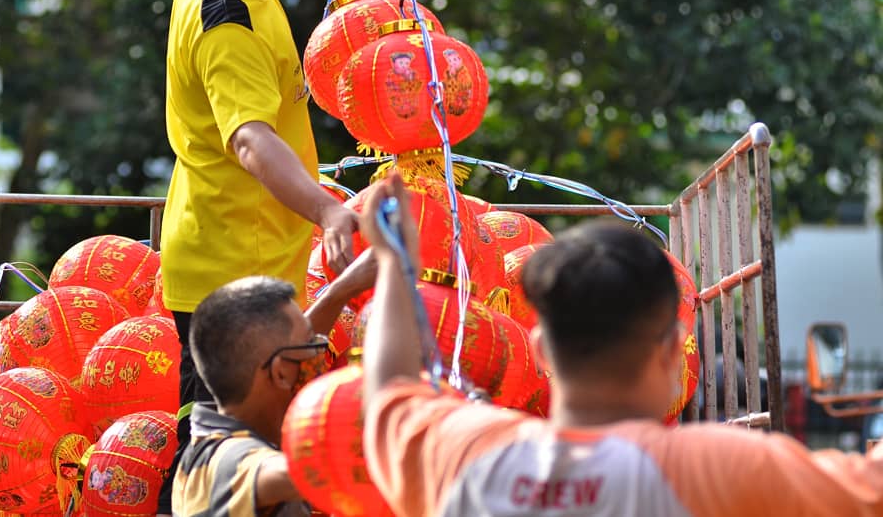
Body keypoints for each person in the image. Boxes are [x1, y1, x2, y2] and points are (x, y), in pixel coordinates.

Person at [359, 174, 883, 517]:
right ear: (672, 350)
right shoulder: (721, 468)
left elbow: (389, 392)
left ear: (539, 349)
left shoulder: (469, 457)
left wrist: (393, 264)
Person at [156, 0, 374, 515]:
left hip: (234, 242)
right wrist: (330, 209)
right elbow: (251, 141)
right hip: (232, 270)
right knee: (218, 463)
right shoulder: (228, 28)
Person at [171, 249, 377, 517]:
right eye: (312, 345)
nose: (319, 352)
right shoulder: (221, 461)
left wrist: (342, 289)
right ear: (280, 373)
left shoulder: (225, 410)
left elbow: (282, 347)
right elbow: (286, 474)